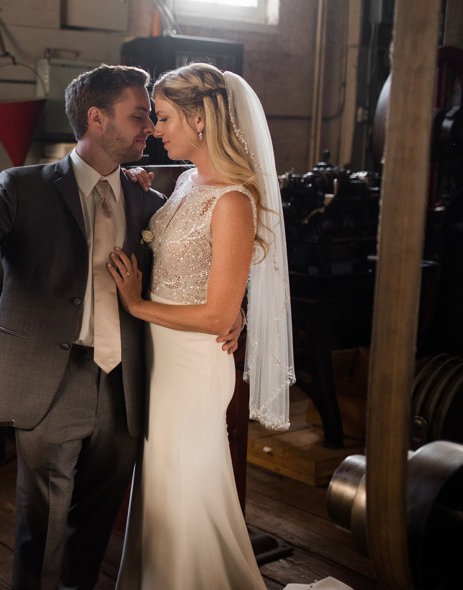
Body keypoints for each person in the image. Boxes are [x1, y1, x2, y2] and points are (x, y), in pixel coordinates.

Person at [0, 64, 243, 590]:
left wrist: (233, 308)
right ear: (97, 119)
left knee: (96, 522)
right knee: (43, 528)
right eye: (139, 115)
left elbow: (203, 255)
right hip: (48, 381)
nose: (149, 126)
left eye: (153, 116)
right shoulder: (24, 186)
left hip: (125, 383)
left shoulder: (149, 199)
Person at [108, 62, 295, 589]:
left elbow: (217, 313)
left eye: (164, 118)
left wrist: (137, 305)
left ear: (200, 119)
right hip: (161, 364)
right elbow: (181, 256)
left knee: (187, 487)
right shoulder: (189, 181)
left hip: (194, 367)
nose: (155, 129)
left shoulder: (233, 200)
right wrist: (140, 192)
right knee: (164, 487)